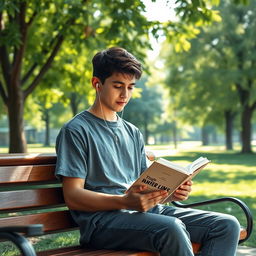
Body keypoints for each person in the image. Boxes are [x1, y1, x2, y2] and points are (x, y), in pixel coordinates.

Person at [55, 47, 240, 256]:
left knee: (226, 225)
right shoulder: (76, 130)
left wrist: (170, 193)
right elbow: (73, 196)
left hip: (143, 214)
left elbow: (144, 188)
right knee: (171, 228)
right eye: (118, 86)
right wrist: (124, 202)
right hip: (102, 222)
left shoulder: (132, 132)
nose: (125, 94)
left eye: (130, 87)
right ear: (97, 84)